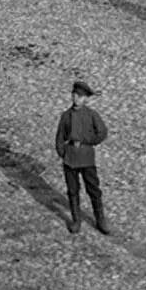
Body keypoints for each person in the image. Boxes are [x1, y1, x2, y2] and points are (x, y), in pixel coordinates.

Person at [54, 80, 110, 234]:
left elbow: (102, 132)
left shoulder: (92, 115)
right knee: (72, 191)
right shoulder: (66, 116)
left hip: (86, 157)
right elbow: (59, 138)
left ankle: (100, 221)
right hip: (70, 158)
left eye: (80, 96)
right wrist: (63, 153)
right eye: (74, 95)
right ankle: (76, 220)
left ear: (85, 99)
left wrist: (88, 142)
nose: (76, 98)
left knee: (93, 189)